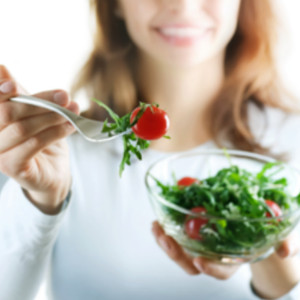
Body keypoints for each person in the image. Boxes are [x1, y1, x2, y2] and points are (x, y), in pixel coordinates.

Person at [1, 0, 300, 299]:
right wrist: (40, 203)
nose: (184, 5)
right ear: (115, 5)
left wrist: (271, 260)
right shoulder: (47, 153)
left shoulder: (292, 146)